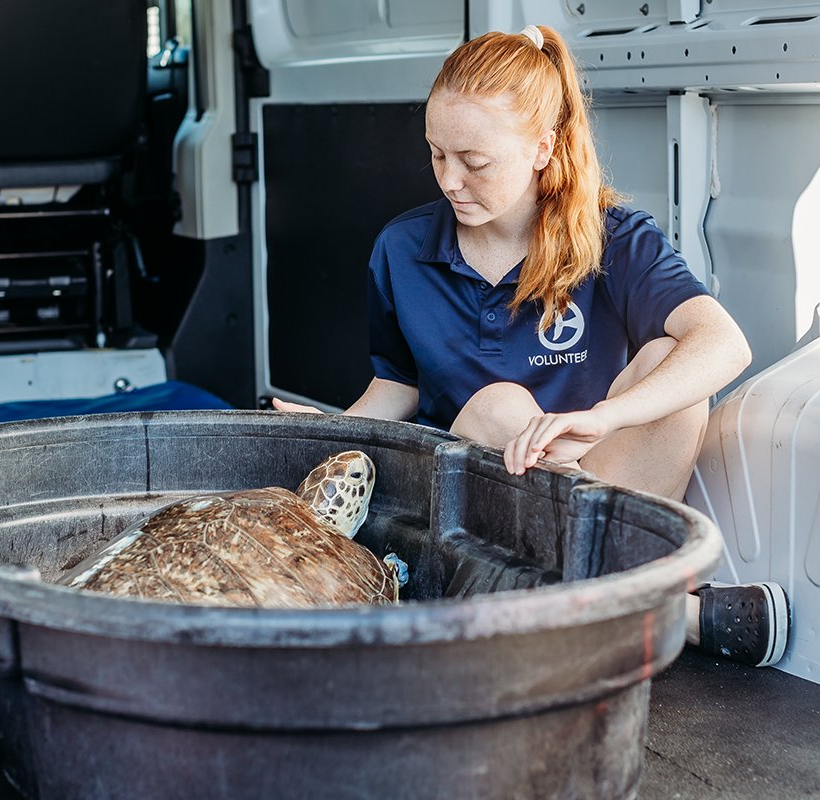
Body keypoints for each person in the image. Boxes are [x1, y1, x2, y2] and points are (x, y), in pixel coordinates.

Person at [275, 24, 789, 667]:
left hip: (601, 482)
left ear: (542, 148)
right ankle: (659, 610)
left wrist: (602, 418)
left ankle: (584, 599)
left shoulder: (614, 237)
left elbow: (724, 344)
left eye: (475, 162)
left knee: (669, 361)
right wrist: (323, 436)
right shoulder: (401, 249)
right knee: (499, 408)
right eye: (436, 154)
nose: (450, 180)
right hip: (476, 515)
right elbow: (397, 385)